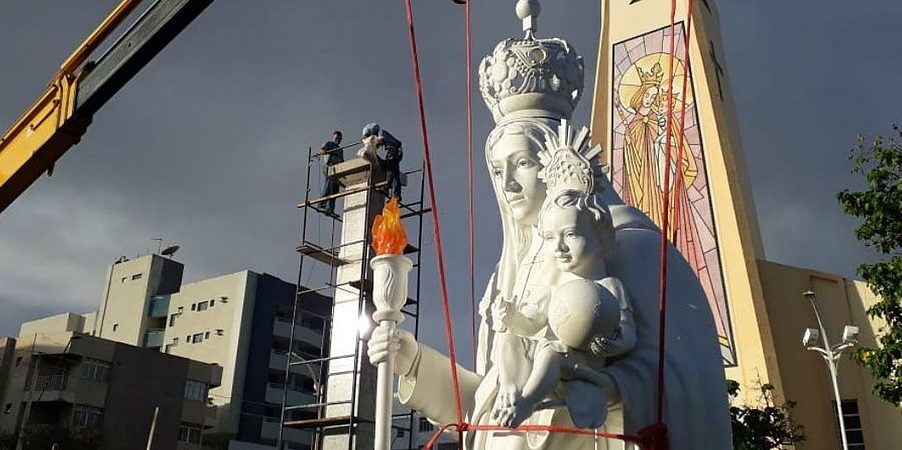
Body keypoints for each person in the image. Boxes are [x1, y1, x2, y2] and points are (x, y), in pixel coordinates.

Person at [491, 189, 636, 429]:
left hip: (579, 363)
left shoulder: (609, 287)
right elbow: (530, 323)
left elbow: (629, 333)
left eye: (570, 234)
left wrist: (616, 345)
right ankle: (510, 387)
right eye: (549, 237)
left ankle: (525, 403)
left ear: (600, 236)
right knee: (509, 338)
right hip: (542, 361)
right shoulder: (553, 289)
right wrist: (511, 316)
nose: (559, 247)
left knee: (551, 352)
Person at [362, 123, 403, 200]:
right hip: (395, 152)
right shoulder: (380, 133)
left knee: (390, 169)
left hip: (393, 152)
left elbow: (379, 141)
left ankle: (386, 188)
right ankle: (396, 195)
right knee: (394, 173)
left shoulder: (381, 132)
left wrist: (368, 142)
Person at [317, 130, 344, 216]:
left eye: (339, 139)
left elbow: (342, 161)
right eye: (336, 138)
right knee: (329, 186)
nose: (338, 140)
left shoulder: (340, 150)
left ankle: (330, 209)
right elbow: (322, 149)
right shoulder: (329, 144)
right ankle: (321, 205)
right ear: (333, 137)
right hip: (330, 167)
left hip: (337, 170)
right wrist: (323, 151)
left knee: (335, 190)